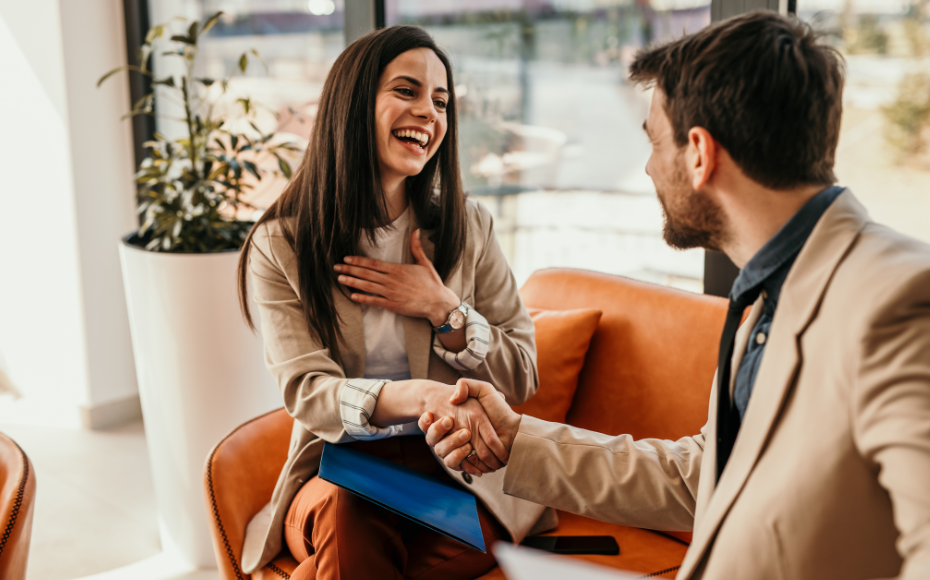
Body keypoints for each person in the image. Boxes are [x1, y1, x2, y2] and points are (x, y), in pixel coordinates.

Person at [422, 12, 930, 580]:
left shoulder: (901, 300)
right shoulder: (766, 295)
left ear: (698, 152)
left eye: (653, 142)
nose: (646, 166)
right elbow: (704, 477)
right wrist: (516, 439)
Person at [235, 26, 554, 580]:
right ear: (354, 104)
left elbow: (522, 374)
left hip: (454, 469)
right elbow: (308, 393)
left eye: (440, 100)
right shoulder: (281, 245)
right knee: (349, 511)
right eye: (406, 91)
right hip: (340, 468)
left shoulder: (468, 226)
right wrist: (418, 395)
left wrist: (445, 312)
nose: (428, 113)